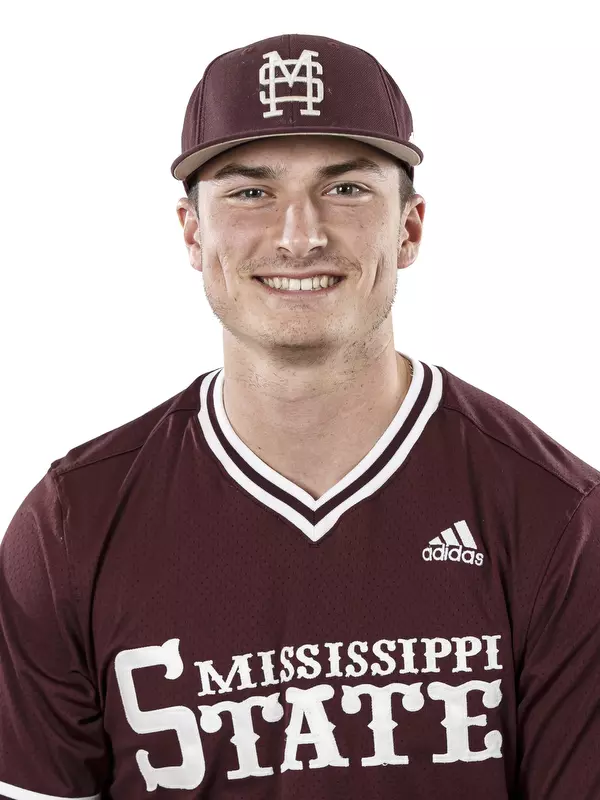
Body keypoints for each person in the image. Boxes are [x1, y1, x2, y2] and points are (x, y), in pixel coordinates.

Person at [0, 32, 599, 800]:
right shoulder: (72, 524)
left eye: (345, 190)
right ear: (192, 233)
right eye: (251, 193)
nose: (299, 235)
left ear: (409, 228)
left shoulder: (557, 516)